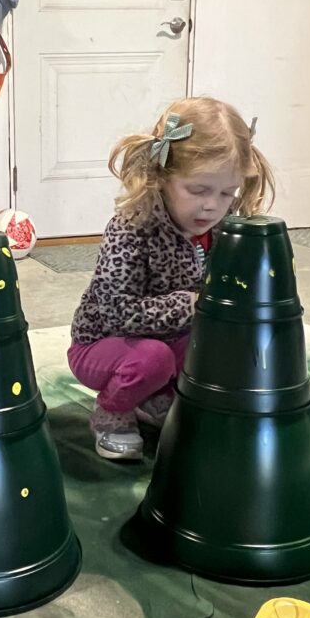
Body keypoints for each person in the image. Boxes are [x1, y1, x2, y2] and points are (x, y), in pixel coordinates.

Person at [68, 97, 275, 460]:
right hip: (103, 345)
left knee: (212, 347)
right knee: (154, 359)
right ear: (162, 176)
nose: (212, 205)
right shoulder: (132, 227)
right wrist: (193, 304)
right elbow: (119, 314)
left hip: (171, 339)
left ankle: (154, 399)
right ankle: (112, 412)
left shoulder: (223, 230)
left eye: (227, 193)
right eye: (198, 190)